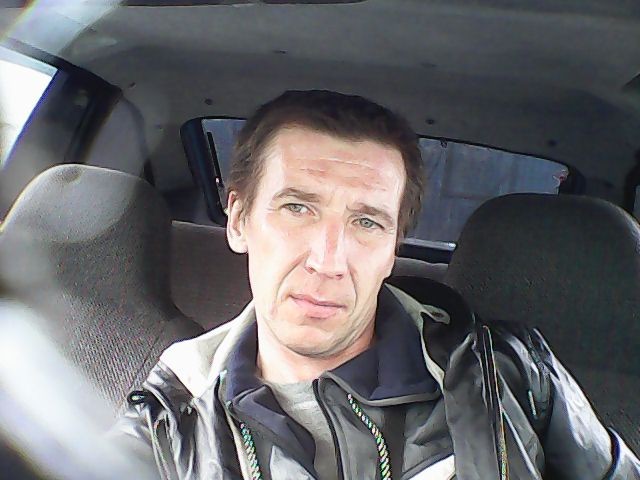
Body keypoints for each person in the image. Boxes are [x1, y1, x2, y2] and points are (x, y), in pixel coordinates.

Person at [115, 90, 640, 479]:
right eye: (297, 208)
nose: (328, 261)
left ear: (393, 249)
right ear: (238, 221)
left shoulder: (513, 373)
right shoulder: (169, 418)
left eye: (366, 222)